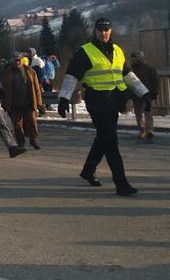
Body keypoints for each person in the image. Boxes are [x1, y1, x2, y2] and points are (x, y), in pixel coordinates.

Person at [58, 18, 148, 196]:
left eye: (107, 29)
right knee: (111, 141)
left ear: (111, 31)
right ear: (95, 31)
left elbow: (127, 74)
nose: (104, 32)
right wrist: (63, 98)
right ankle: (121, 183)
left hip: (114, 100)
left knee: (104, 138)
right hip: (97, 100)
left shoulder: (117, 50)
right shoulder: (85, 51)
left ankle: (88, 169)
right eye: (100, 30)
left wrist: (143, 92)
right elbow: (71, 76)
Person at [1, 53, 44, 149]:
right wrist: (4, 104)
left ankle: (34, 140)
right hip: (14, 104)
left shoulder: (30, 71)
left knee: (32, 122)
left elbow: (37, 88)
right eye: (15, 60)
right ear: (12, 61)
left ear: (22, 60)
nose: (17, 62)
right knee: (17, 125)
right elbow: (4, 90)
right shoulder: (7, 73)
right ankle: (21, 143)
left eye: (19, 60)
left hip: (29, 103)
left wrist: (39, 103)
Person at [128, 51, 159, 141]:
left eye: (135, 58)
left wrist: (154, 92)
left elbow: (155, 81)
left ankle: (148, 130)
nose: (133, 60)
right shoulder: (132, 69)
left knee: (147, 112)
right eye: (133, 58)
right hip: (137, 95)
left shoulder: (148, 69)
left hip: (146, 94)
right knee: (139, 114)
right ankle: (144, 130)